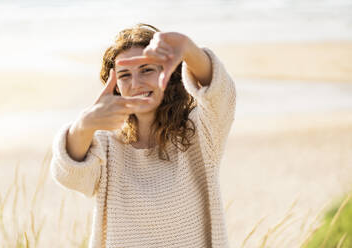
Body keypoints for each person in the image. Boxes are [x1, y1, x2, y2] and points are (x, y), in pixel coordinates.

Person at [50, 23, 236, 248]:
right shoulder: (106, 145)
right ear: (115, 85)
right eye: (125, 75)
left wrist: (187, 48)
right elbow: (68, 175)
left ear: (168, 73)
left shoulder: (199, 133)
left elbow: (220, 91)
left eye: (147, 69)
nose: (136, 84)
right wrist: (85, 124)